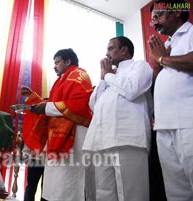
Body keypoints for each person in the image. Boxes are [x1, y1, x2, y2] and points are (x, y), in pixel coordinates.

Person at [82, 36, 153, 201]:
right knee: (103, 194)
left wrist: (108, 76)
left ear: (124, 50)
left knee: (132, 194)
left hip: (127, 139)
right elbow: (93, 104)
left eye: (110, 48)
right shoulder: (110, 77)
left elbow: (132, 89)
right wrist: (104, 78)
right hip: (101, 141)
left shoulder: (140, 66)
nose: (106, 54)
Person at [21, 48, 93, 201]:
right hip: (56, 139)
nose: (54, 66)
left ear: (68, 61)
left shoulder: (79, 75)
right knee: (53, 185)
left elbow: (79, 105)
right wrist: (33, 98)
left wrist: (46, 107)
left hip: (74, 137)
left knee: (68, 184)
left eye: (57, 62)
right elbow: (52, 105)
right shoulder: (60, 81)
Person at [148, 0, 193, 200]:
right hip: (164, 126)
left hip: (188, 121)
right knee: (176, 192)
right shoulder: (166, 44)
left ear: (176, 11)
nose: (153, 22)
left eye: (157, 15)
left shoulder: (191, 32)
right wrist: (157, 67)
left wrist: (161, 59)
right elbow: (159, 81)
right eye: (152, 18)